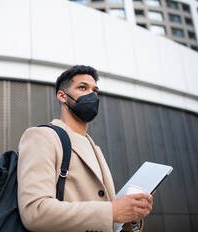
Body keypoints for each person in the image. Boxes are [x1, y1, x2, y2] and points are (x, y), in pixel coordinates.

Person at [17, 65, 153, 232]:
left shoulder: (95, 148)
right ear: (62, 96)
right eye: (83, 87)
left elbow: (109, 220)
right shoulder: (42, 136)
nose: (92, 95)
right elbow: (35, 212)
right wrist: (111, 211)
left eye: (95, 91)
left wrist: (130, 215)